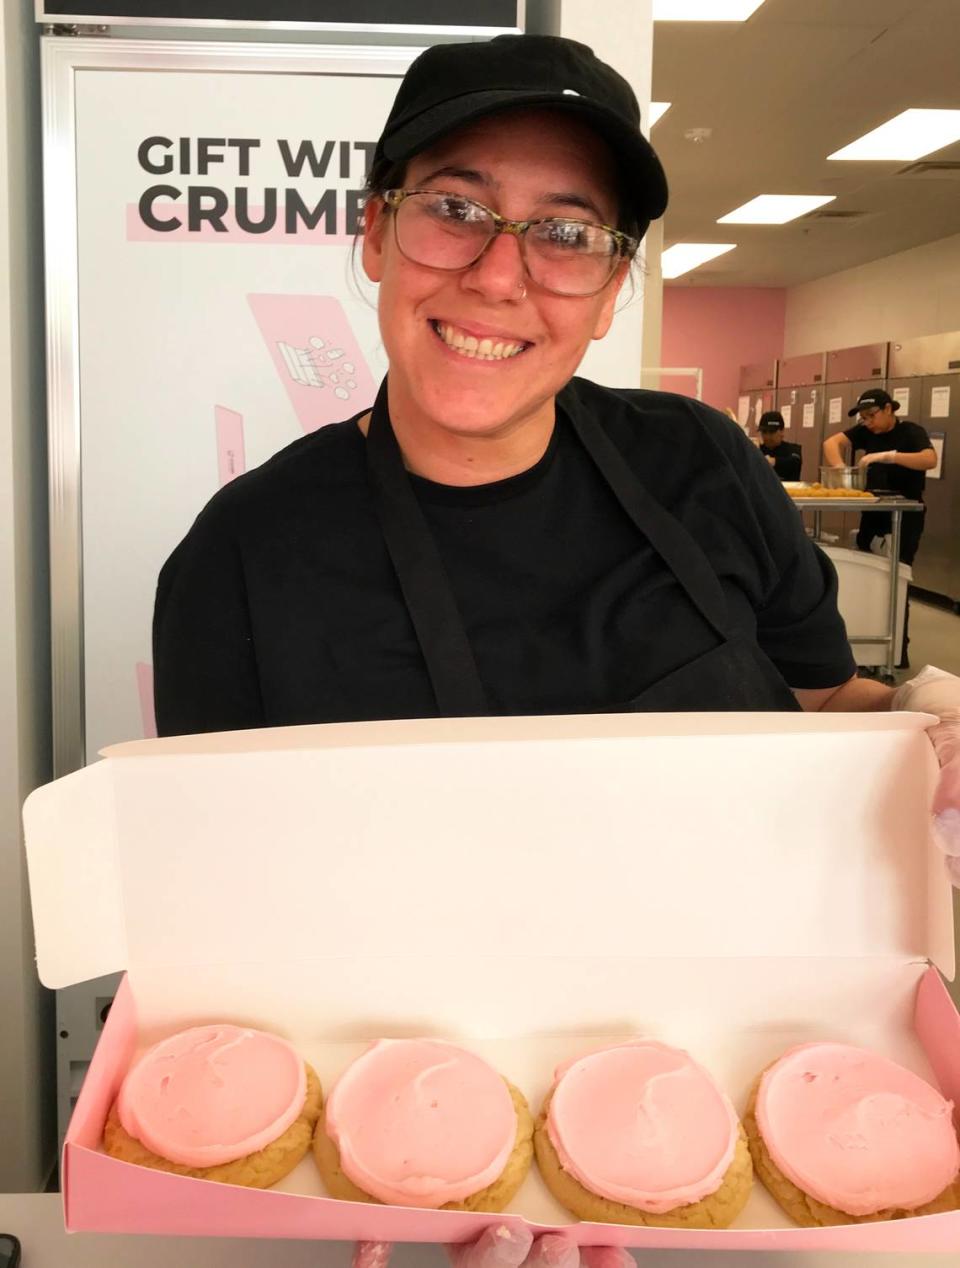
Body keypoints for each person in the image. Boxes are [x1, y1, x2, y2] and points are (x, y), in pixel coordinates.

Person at [152, 37, 960, 1262]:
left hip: (764, 1104)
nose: (498, 275)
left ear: (614, 283)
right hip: (407, 1155)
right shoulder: (241, 555)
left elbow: (824, 697)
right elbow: (212, 909)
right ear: (375, 233)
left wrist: (925, 712)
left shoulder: (698, 463)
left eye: (565, 231)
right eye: (456, 209)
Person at [822, 388, 936, 565]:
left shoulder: (910, 431)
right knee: (868, 566)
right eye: (863, 418)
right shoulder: (866, 431)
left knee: (897, 570)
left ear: (888, 409)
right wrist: (840, 468)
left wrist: (889, 456)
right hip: (873, 511)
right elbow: (831, 443)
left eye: (871, 415)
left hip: (903, 514)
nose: (867, 422)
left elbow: (930, 459)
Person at [757, 411, 802, 481]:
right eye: (764, 432)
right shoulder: (757, 451)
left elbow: (795, 461)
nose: (767, 436)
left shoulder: (792, 450)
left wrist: (774, 461)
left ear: (782, 431)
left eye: (772, 432)